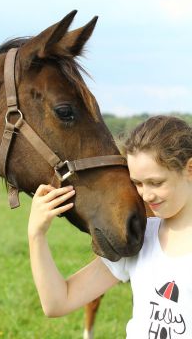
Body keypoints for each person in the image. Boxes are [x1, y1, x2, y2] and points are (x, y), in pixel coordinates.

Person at [28, 115, 192, 338]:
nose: (146, 194)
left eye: (156, 182)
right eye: (137, 183)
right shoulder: (142, 238)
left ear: (189, 169)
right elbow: (58, 302)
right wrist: (36, 235)